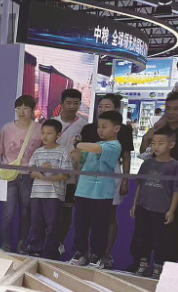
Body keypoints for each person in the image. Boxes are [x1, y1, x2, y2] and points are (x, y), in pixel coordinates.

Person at [80, 94, 134, 268]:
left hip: (111, 173)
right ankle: (85, 253)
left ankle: (105, 253)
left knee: (109, 215)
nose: (102, 109)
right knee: (87, 215)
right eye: (100, 106)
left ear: (116, 109)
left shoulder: (123, 130)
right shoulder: (89, 128)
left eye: (107, 106)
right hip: (89, 175)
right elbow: (82, 155)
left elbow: (126, 156)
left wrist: (125, 180)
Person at [69, 110, 122, 269]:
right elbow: (81, 159)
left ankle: (97, 256)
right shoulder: (95, 145)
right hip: (83, 191)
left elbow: (96, 149)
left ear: (116, 128)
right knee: (80, 225)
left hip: (102, 194)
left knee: (99, 227)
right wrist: (76, 153)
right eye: (99, 126)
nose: (100, 130)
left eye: (104, 127)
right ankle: (80, 253)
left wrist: (78, 144)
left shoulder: (114, 145)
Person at [130, 127, 178, 278]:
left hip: (161, 210)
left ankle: (158, 266)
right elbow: (140, 184)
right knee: (142, 237)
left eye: (161, 143)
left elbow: (176, 190)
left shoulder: (174, 166)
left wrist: (171, 210)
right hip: (144, 207)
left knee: (161, 240)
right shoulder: (147, 164)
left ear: (171, 144)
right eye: (153, 143)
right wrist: (135, 204)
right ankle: (143, 264)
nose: (156, 147)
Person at [0, 95, 42, 254]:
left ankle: (22, 244)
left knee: (26, 212)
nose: (21, 111)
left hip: (28, 175)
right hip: (10, 175)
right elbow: (1, 151)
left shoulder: (39, 128)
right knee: (8, 213)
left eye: (25, 108)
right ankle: (5, 245)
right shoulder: (7, 128)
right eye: (18, 108)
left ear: (32, 110)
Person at [25, 119, 72, 259]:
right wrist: (39, 171)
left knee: (53, 225)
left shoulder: (63, 152)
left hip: (54, 195)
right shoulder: (37, 152)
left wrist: (47, 177)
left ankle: (50, 252)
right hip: (37, 194)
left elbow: (65, 175)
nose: (45, 136)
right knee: (36, 223)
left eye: (49, 133)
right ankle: (35, 250)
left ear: (58, 135)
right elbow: (31, 172)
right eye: (43, 133)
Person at [53, 88, 86, 255]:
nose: (72, 106)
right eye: (69, 103)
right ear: (62, 104)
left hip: (72, 176)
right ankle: (49, 240)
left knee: (66, 210)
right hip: (52, 175)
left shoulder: (84, 125)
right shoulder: (52, 123)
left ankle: (60, 241)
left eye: (76, 103)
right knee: (51, 209)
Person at [141, 93, 178, 160]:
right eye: (168, 108)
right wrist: (146, 139)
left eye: (175, 109)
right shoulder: (159, 129)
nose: (170, 112)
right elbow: (143, 154)